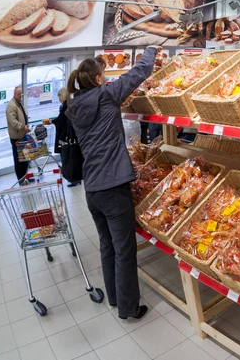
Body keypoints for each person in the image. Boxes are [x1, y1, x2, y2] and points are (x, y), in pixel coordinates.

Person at [66, 46, 159, 320]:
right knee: (124, 250)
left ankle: (115, 298)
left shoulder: (75, 107)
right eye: (103, 75)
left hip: (92, 189)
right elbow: (139, 72)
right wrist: (151, 50)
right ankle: (130, 308)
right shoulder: (107, 95)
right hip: (113, 188)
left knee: (106, 246)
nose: (106, 79)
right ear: (97, 80)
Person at [51, 87, 82, 187]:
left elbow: (63, 123)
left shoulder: (65, 107)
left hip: (67, 136)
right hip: (71, 136)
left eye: (59, 96)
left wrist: (61, 137)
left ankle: (73, 178)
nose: (59, 98)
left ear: (62, 95)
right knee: (71, 157)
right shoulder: (68, 105)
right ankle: (74, 177)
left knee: (69, 158)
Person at [6, 86, 30, 182]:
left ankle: (25, 178)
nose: (21, 96)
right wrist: (23, 127)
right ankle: (21, 180)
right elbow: (13, 122)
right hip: (16, 137)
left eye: (22, 94)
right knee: (19, 160)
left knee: (24, 158)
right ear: (15, 94)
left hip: (22, 135)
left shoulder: (18, 104)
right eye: (19, 94)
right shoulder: (11, 106)